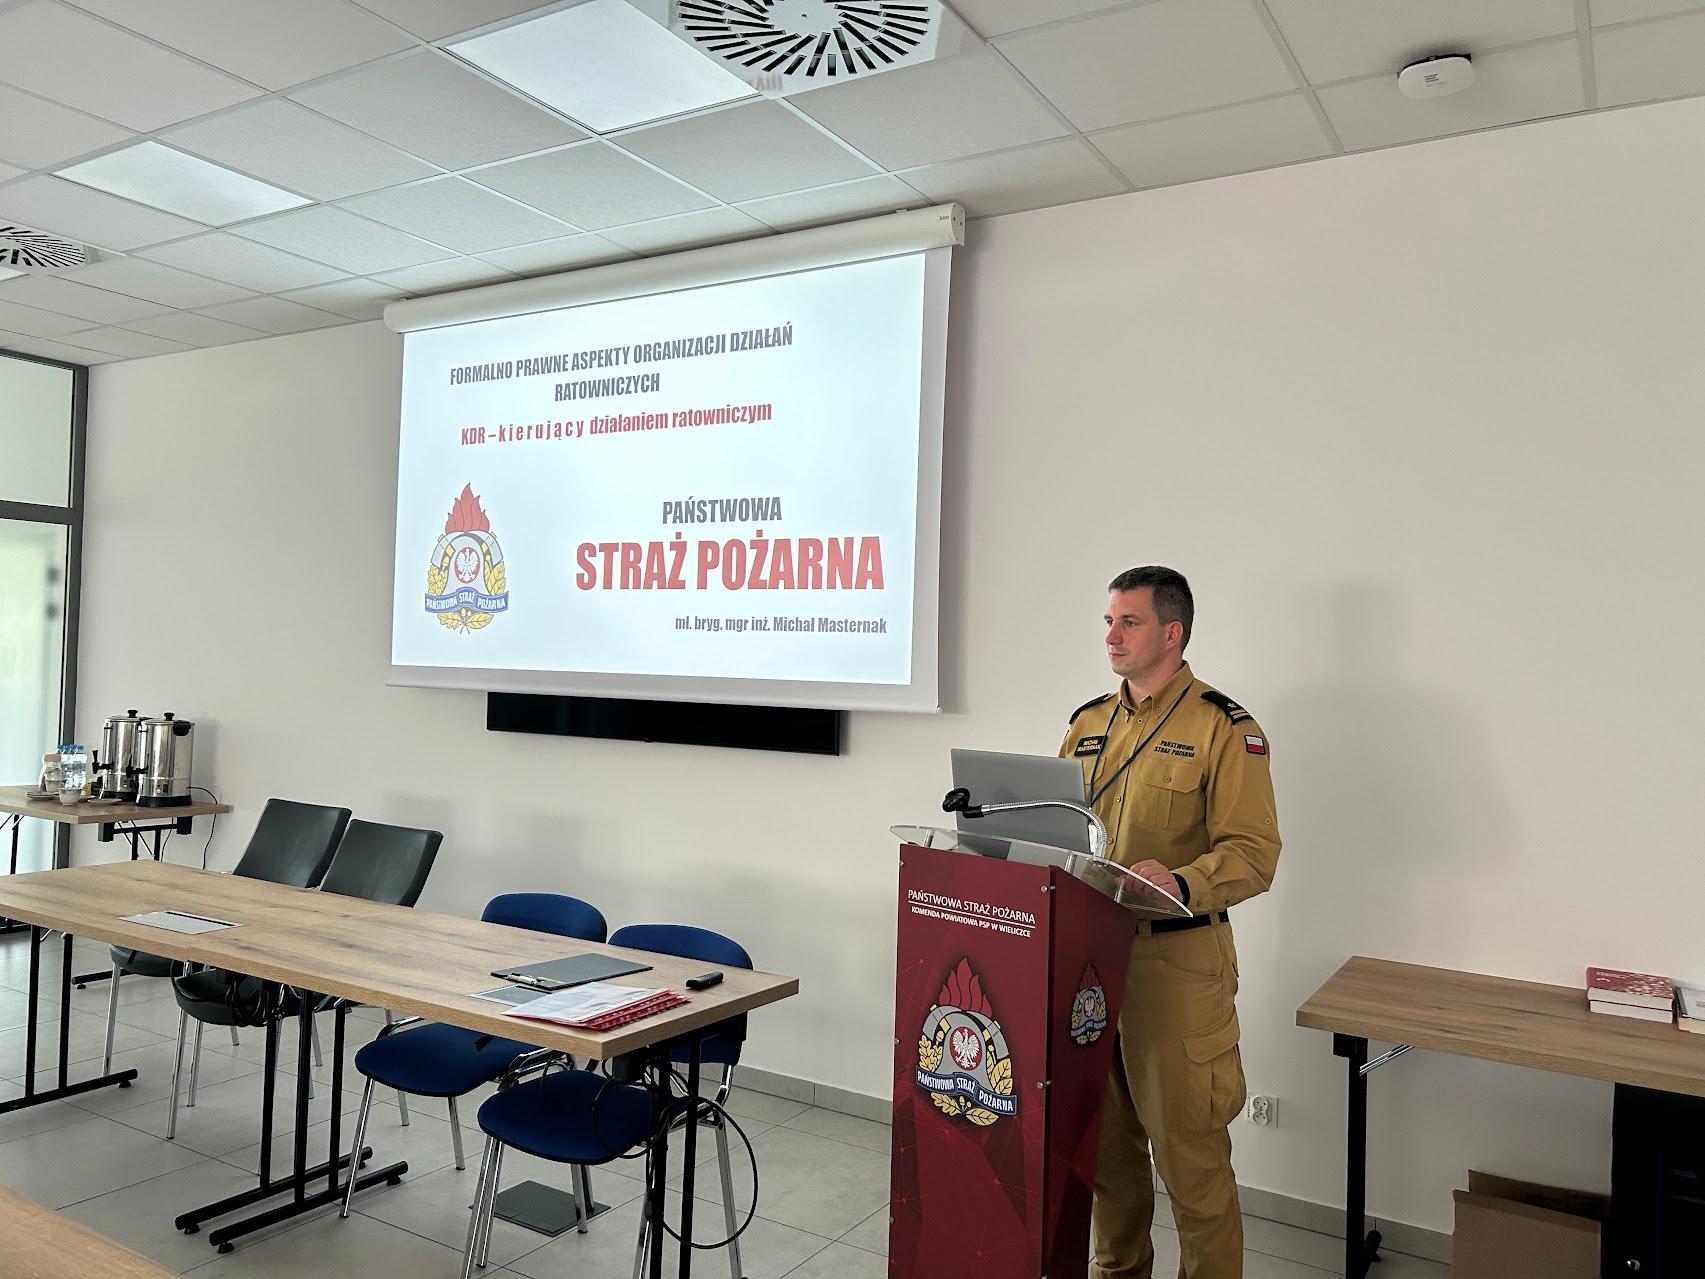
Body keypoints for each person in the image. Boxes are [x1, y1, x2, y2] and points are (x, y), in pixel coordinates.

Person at [1059, 566, 1281, 1279]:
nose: (1111, 636)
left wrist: (1183, 880)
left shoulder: (1223, 727)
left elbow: (1254, 854)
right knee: (1108, 1159)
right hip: (1090, 962)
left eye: (1128, 622)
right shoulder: (1087, 724)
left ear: (1171, 632)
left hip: (1176, 969)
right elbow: (1054, 827)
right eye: (1108, 622)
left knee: (1192, 1166)